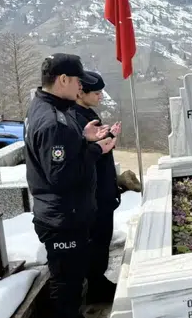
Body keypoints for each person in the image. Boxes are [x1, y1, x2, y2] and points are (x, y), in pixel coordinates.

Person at [25, 53, 116, 318]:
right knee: (67, 287)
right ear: (63, 79)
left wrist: (82, 138)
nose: (80, 88)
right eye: (78, 81)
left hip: (61, 213)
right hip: (62, 218)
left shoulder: (42, 108)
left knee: (71, 281)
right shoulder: (54, 122)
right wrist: (95, 149)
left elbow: (57, 157)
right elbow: (61, 176)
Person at [70, 71, 122, 304]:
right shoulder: (77, 119)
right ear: (81, 92)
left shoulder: (87, 115)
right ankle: (96, 286)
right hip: (94, 194)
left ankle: (98, 281)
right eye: (97, 92)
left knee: (103, 239)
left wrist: (108, 138)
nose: (101, 96)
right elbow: (86, 157)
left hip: (102, 191)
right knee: (97, 241)